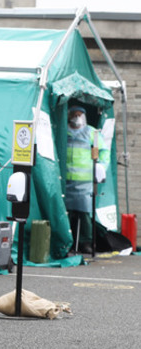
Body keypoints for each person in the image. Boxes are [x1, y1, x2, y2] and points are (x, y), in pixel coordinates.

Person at [65, 105, 109, 254]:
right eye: (74, 114)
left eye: (80, 115)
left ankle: (86, 242)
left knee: (84, 213)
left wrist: (101, 166)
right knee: (68, 213)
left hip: (85, 181)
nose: (77, 117)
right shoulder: (63, 131)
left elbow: (102, 151)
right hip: (67, 180)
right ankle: (68, 241)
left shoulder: (91, 133)